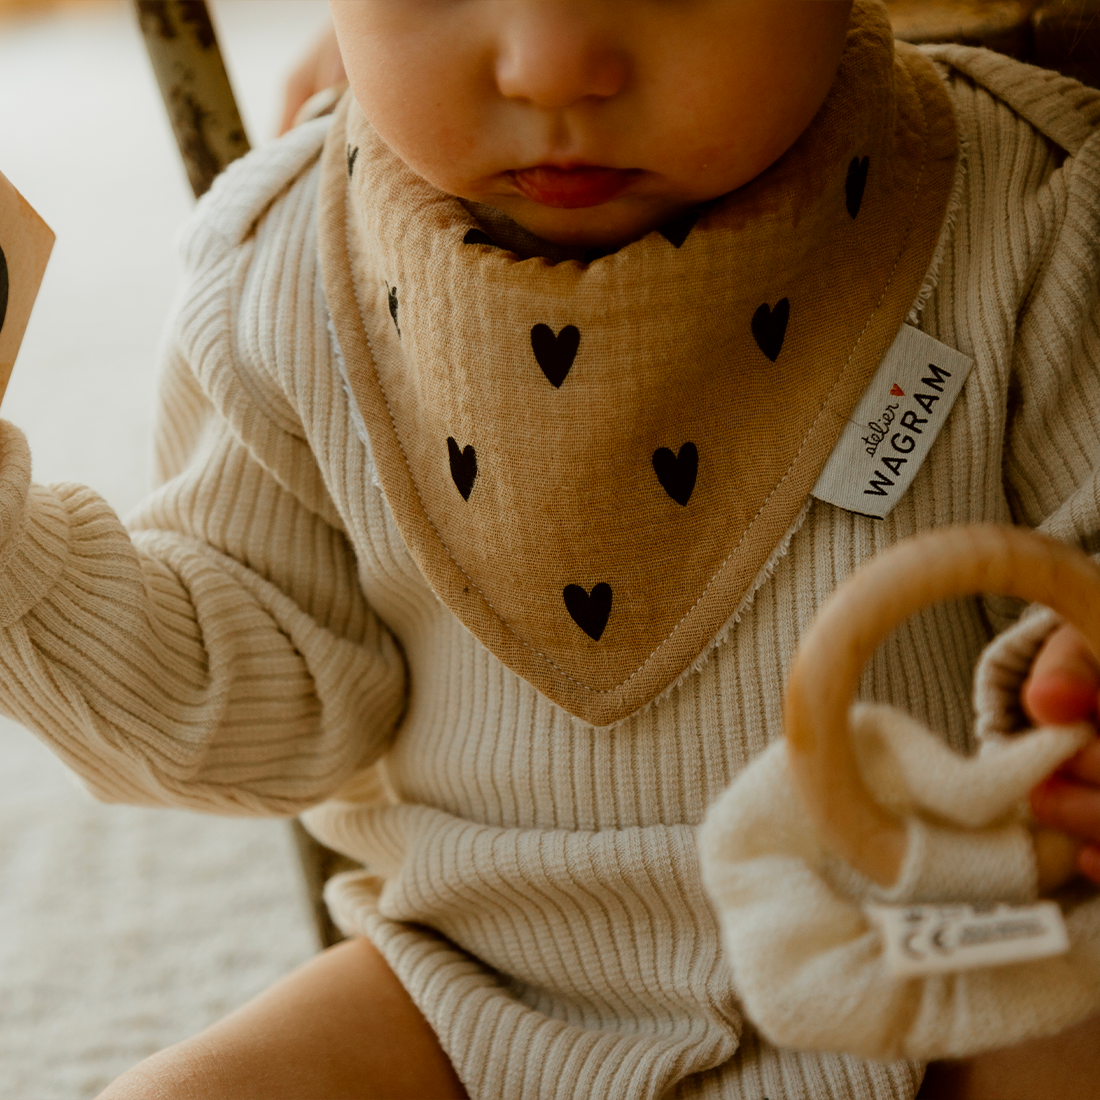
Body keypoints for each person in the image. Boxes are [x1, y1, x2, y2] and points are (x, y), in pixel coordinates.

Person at [3, 0, 1097, 1096]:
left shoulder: (1033, 193)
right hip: (474, 991)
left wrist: (1070, 691)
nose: (549, 68)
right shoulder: (271, 271)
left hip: (953, 951)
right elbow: (248, 705)